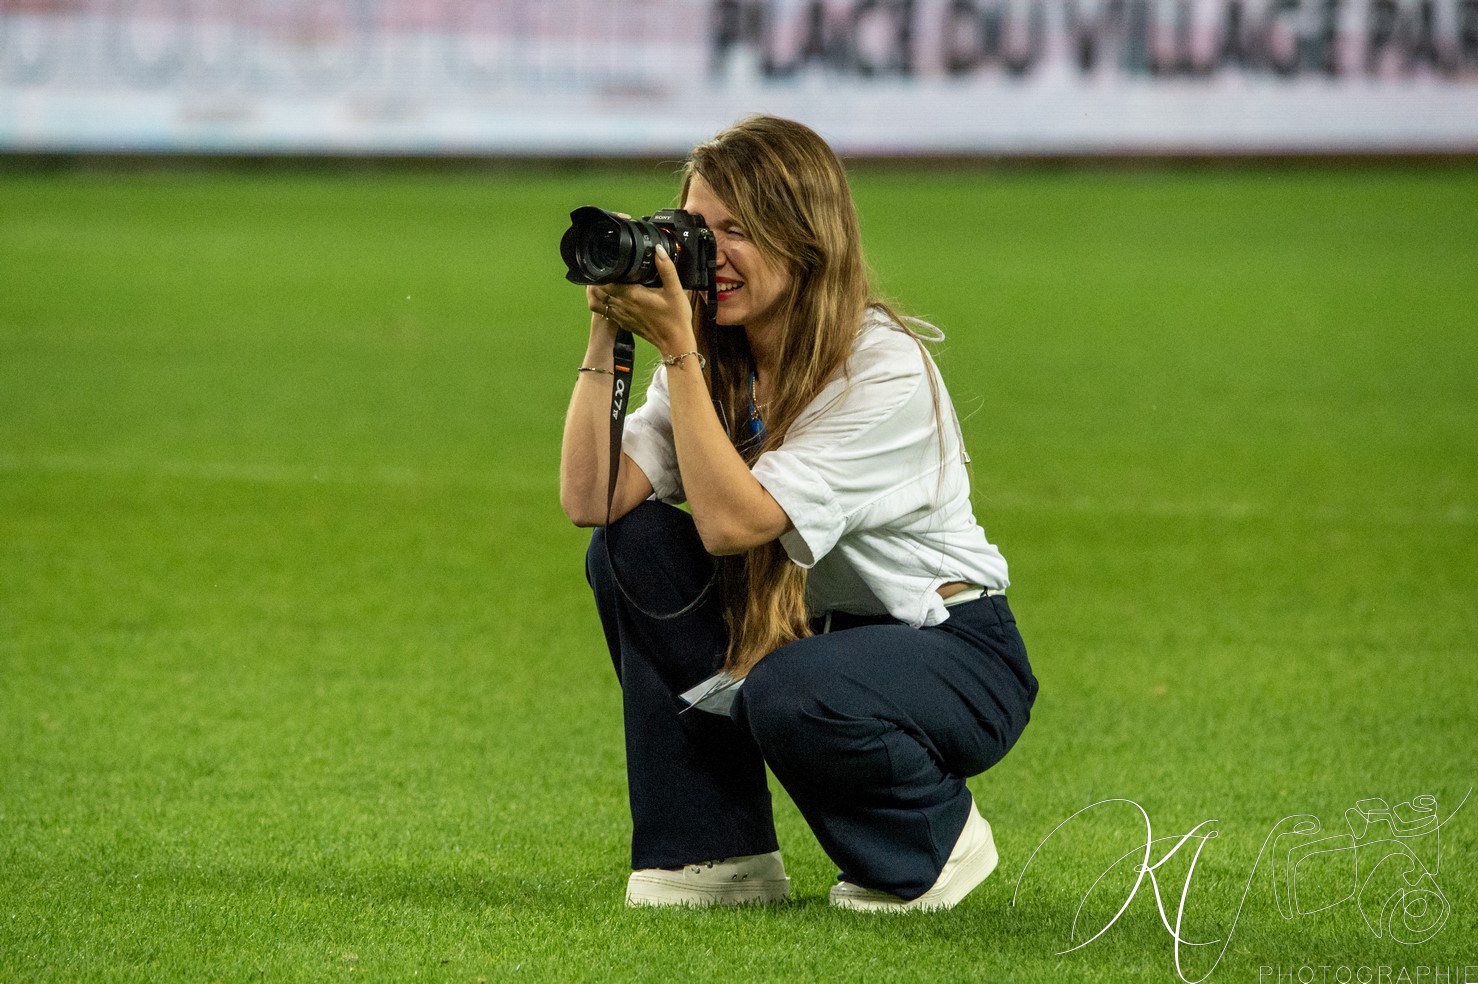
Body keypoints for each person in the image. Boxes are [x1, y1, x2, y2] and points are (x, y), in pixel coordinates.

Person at [558, 115, 1037, 912]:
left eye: (737, 231)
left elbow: (731, 526)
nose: (709, 254)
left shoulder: (881, 369)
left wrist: (678, 352)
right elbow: (592, 498)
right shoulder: (716, 355)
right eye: (695, 229)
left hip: (951, 651)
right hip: (817, 637)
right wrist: (609, 325)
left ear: (805, 239)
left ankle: (931, 841)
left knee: (790, 689)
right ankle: (714, 850)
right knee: (628, 548)